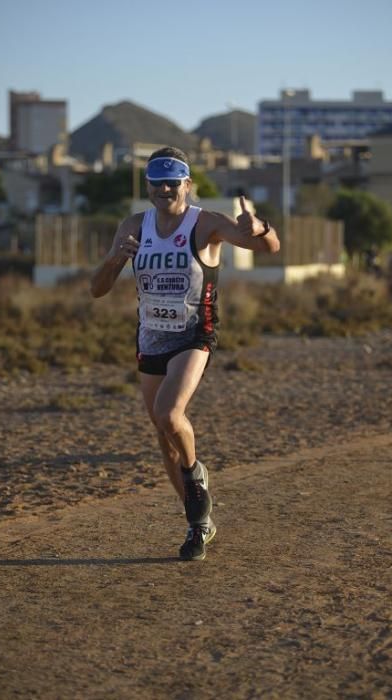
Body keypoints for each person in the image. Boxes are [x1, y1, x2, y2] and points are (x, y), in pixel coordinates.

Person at [90, 146, 280, 561]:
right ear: (148, 186)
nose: (164, 189)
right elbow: (97, 289)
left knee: (169, 414)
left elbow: (269, 249)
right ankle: (199, 522)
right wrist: (114, 260)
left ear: (187, 185)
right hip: (151, 338)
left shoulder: (205, 223)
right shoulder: (133, 226)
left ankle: (196, 476)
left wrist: (260, 227)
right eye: (156, 182)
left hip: (195, 333)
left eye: (172, 181)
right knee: (164, 437)